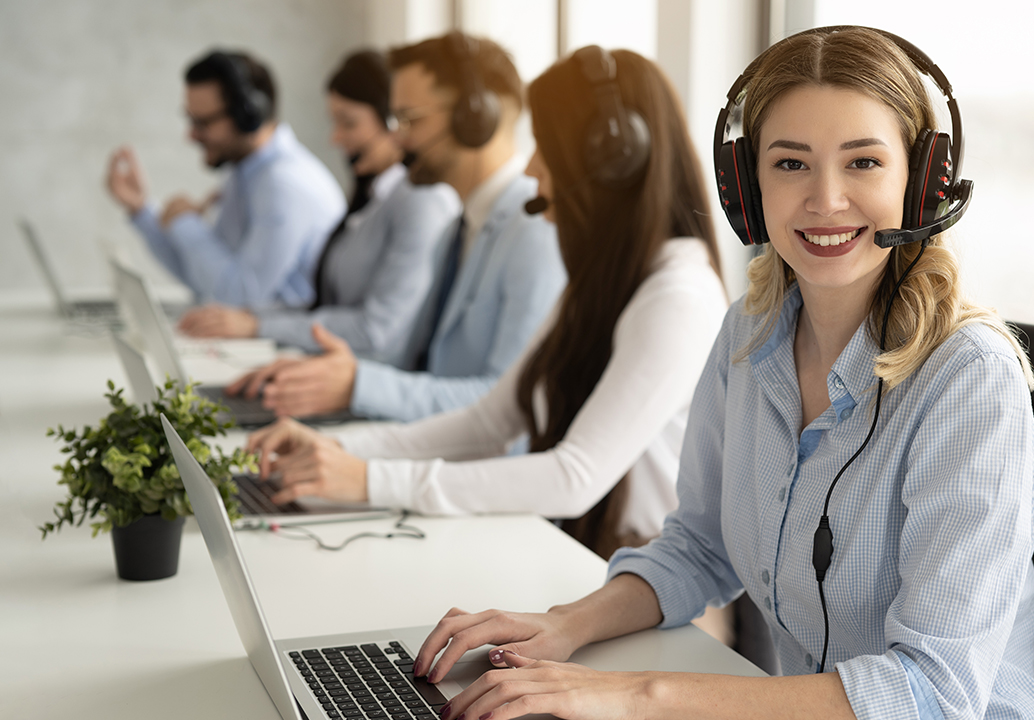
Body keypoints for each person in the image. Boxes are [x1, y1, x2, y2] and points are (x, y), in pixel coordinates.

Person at [398, 27, 1034, 720]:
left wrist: (638, 694)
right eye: (791, 164)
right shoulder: (750, 336)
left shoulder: (968, 383)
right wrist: (564, 625)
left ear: (921, 180)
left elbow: (930, 694)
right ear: (745, 187)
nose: (825, 199)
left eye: (864, 163)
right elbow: (699, 547)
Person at [244, 45, 727, 561]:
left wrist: (370, 480)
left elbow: (575, 476)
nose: (534, 170)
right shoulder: (607, 280)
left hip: (645, 578)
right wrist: (341, 454)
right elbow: (490, 421)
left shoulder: (678, 296)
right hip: (581, 556)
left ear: (612, 161)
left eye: (547, 149)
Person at [226, 32, 565, 423]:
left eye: (409, 119)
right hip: (423, 445)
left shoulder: (535, 229)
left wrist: (359, 386)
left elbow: (506, 403)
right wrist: (311, 374)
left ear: (475, 117)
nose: (397, 137)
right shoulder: (459, 227)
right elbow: (414, 363)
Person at [176, 50, 461, 366]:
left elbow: (377, 332)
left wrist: (258, 325)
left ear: (393, 121)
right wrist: (248, 318)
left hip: (365, 380)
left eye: (348, 123)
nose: (335, 138)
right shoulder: (374, 199)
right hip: (329, 367)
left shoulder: (421, 202)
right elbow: (325, 306)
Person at [106, 50, 346, 308]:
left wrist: (186, 224)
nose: (191, 135)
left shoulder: (283, 184)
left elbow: (239, 299)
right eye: (190, 120)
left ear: (248, 115)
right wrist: (141, 209)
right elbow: (205, 281)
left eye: (202, 123)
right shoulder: (244, 173)